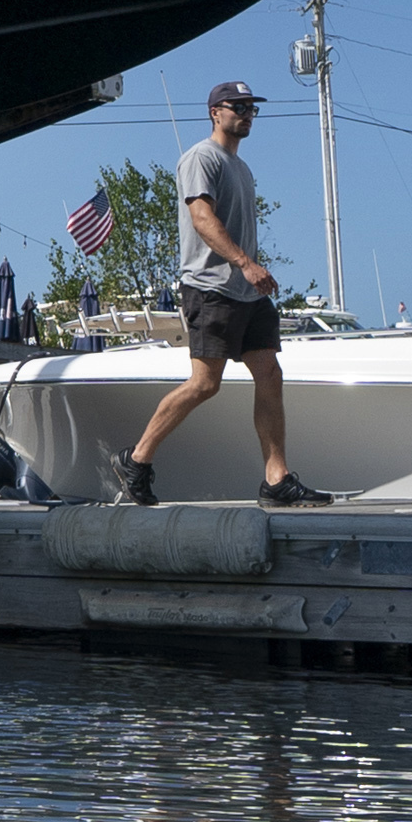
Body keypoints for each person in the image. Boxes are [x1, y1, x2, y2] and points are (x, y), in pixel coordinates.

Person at [110, 80, 329, 507]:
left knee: (270, 374)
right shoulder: (201, 158)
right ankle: (136, 460)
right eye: (238, 107)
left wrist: (249, 273)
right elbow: (201, 218)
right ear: (215, 111)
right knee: (205, 384)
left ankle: (276, 480)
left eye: (251, 108)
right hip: (211, 289)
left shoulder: (241, 168)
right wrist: (246, 263)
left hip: (247, 295)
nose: (246, 114)